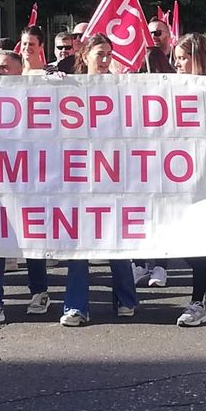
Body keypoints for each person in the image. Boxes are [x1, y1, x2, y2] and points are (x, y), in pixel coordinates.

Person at [60, 34, 139, 326]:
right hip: (78, 176)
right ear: (85, 56)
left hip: (112, 174)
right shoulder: (69, 87)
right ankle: (76, 306)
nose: (105, 60)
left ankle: (126, 299)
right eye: (99, 54)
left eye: (109, 54)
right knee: (78, 244)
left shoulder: (121, 87)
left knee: (115, 238)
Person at [168, 33, 206, 327]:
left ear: (198, 58)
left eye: (183, 58)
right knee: (172, 240)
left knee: (196, 241)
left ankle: (196, 303)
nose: (178, 64)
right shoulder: (169, 87)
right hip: (175, 176)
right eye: (176, 59)